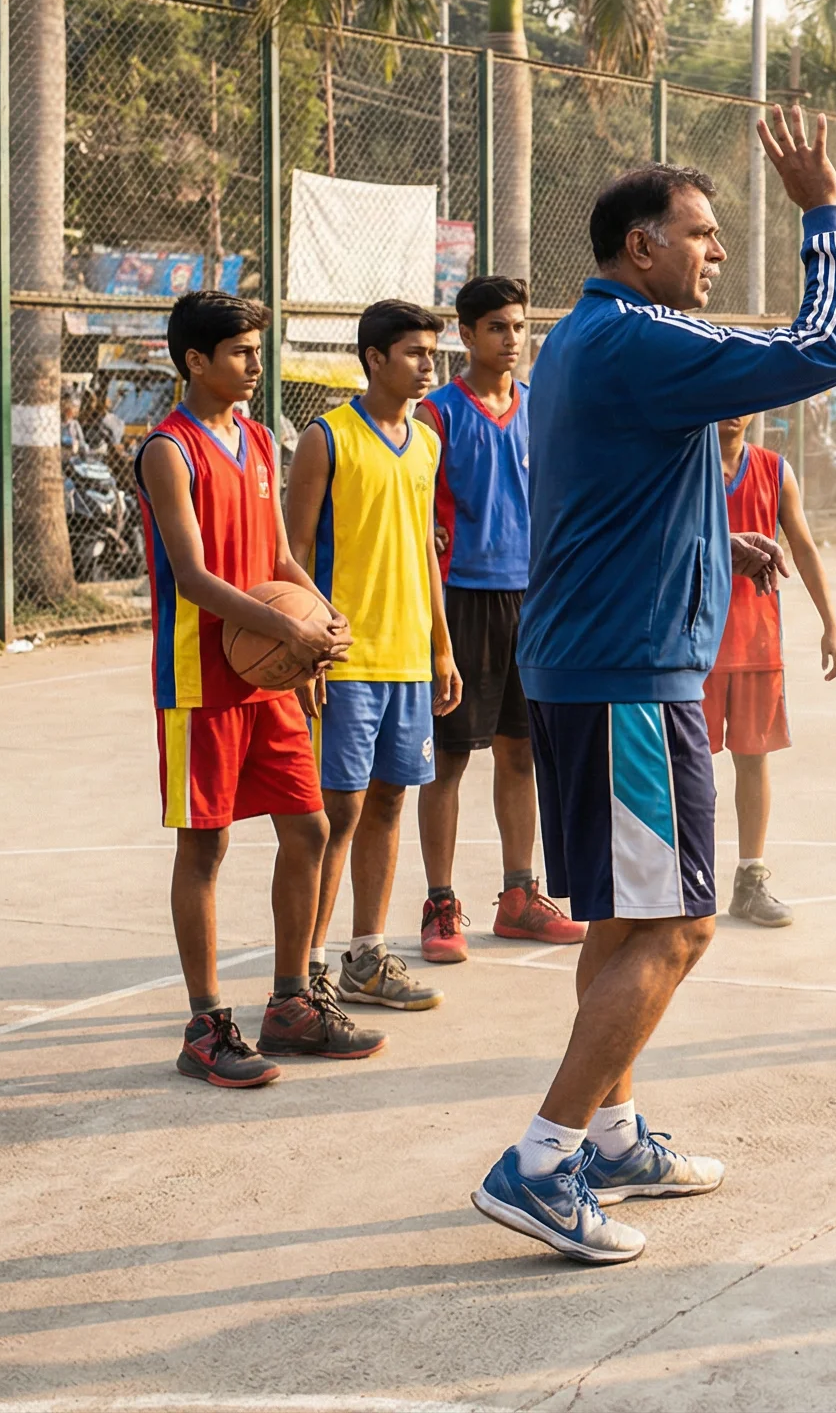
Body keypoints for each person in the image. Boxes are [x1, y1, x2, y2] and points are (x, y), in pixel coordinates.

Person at [471, 108, 836, 1265]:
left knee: (627, 917)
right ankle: (541, 1161)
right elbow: (824, 351)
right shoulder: (637, 339)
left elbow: (627, 489)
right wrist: (822, 213)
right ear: (640, 247)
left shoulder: (592, 338)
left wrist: (716, 544)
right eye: (699, 233)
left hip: (598, 664)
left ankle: (612, 1136)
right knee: (683, 925)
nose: (716, 251)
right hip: (629, 680)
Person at [133, 291, 374, 1085]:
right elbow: (194, 577)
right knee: (205, 845)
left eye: (255, 351)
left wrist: (322, 618)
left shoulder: (263, 441)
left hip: (267, 674)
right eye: (240, 352)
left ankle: (291, 1004)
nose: (254, 365)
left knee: (308, 828)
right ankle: (205, 1027)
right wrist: (285, 631)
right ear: (195, 360)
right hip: (200, 681)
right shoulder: (169, 450)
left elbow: (277, 561)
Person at [285, 299, 461, 1020]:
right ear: (374, 358)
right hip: (346, 658)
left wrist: (441, 646)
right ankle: (308, 967)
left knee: (389, 801)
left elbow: (424, 550)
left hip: (408, 657)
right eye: (415, 353)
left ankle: (366, 955)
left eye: (432, 355)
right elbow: (293, 552)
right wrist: (304, 648)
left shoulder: (426, 444)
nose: (427, 367)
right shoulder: (326, 438)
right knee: (338, 813)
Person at [413, 275, 585, 964]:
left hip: (533, 598)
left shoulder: (543, 408)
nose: (512, 339)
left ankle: (520, 896)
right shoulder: (437, 415)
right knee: (449, 758)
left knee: (521, 752)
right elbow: (416, 512)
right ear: (466, 334)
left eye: (518, 326)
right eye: (497, 328)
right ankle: (440, 903)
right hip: (461, 598)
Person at [706, 408, 836, 926]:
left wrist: (831, 623)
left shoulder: (774, 470)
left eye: (742, 399)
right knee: (685, 768)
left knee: (753, 759)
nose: (732, 410)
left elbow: (803, 548)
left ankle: (750, 879)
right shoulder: (681, 465)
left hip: (755, 643)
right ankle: (678, 880)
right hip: (692, 645)